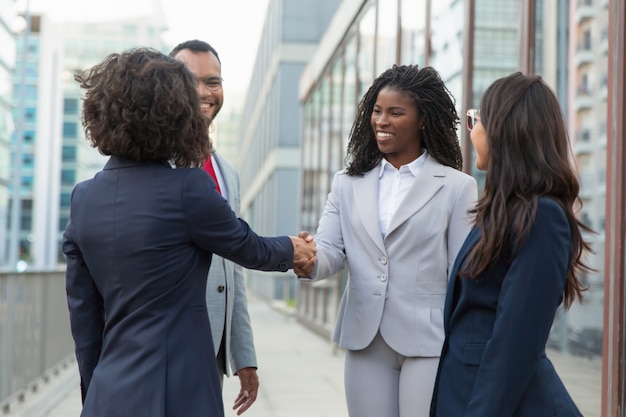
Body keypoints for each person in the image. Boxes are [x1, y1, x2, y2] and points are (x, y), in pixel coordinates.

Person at [62, 47, 315, 417]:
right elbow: (248, 247)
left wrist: (97, 391)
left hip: (110, 390)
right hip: (184, 390)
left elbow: (83, 320)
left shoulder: (83, 198)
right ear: (174, 114)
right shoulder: (188, 188)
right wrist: (297, 249)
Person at [297, 64, 478, 417]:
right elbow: (330, 250)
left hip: (428, 341)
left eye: (396, 113)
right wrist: (309, 260)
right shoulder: (347, 183)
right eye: (377, 111)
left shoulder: (457, 186)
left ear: (423, 119)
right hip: (365, 337)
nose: (382, 120)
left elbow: (463, 273)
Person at [430, 72, 592, 417]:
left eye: (477, 120)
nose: (472, 130)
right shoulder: (502, 212)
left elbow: (514, 346)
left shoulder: (542, 218)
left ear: (505, 130)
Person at [169, 39, 258, 415]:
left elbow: (232, 267)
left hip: (212, 352)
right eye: (192, 81)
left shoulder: (228, 174)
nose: (205, 93)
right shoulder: (153, 164)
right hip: (166, 348)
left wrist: (244, 356)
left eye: (214, 82)